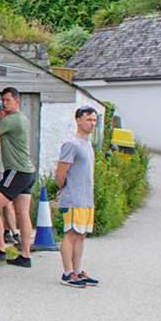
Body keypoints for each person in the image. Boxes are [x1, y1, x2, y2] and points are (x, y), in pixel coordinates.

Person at [0, 87, 36, 267]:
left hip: (16, 171)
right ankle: (25, 256)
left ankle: (0, 250)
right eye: (2, 100)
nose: (4, 103)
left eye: (7, 100)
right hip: (27, 171)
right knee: (23, 213)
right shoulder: (21, 119)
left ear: (17, 101)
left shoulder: (12, 120)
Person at [55, 106, 100, 288]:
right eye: (89, 120)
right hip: (74, 197)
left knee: (81, 234)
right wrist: (64, 188)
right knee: (71, 233)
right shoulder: (71, 144)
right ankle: (67, 273)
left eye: (94, 120)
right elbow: (61, 172)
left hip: (86, 197)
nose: (92, 123)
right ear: (78, 120)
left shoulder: (87, 143)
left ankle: (78, 270)